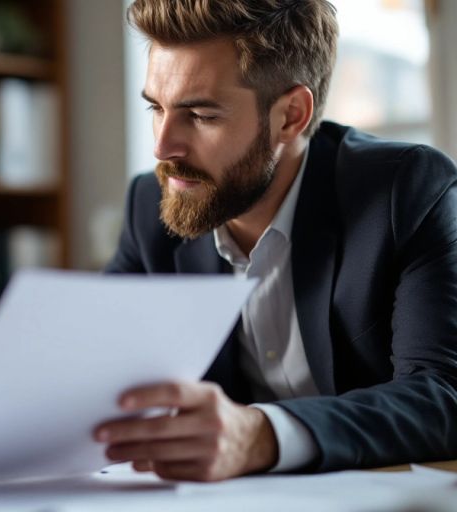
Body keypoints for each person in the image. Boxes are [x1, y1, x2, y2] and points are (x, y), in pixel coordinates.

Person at [96, 0, 457, 481]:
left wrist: (260, 434)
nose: (163, 147)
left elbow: (443, 395)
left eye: (201, 115)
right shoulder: (151, 203)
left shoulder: (405, 191)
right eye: (156, 108)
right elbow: (95, 369)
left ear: (291, 115)